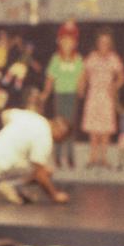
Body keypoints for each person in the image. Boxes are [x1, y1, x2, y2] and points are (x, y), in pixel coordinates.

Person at [0, 104, 69, 205]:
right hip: (2, 163)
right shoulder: (45, 138)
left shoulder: (32, 116)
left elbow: (5, 114)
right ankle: (11, 185)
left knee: (31, 160)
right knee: (47, 170)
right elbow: (40, 174)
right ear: (60, 131)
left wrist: (14, 136)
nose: (61, 141)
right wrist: (55, 195)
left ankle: (17, 189)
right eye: (63, 138)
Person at [80, 30, 124, 172]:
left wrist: (114, 86)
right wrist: (81, 88)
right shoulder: (92, 57)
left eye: (106, 42)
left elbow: (122, 77)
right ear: (97, 44)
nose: (103, 45)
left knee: (106, 129)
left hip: (106, 96)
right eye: (101, 42)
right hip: (93, 95)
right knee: (93, 129)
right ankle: (92, 158)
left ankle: (104, 158)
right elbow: (84, 74)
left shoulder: (114, 58)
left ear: (110, 44)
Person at [42, 25, 84, 173]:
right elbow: (50, 78)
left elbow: (81, 76)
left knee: (70, 125)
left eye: (70, 42)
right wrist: (46, 93)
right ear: (60, 42)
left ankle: (70, 155)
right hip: (59, 95)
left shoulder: (78, 59)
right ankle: (58, 155)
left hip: (72, 95)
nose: (67, 44)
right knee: (59, 124)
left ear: (74, 44)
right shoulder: (56, 59)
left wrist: (81, 89)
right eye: (64, 41)